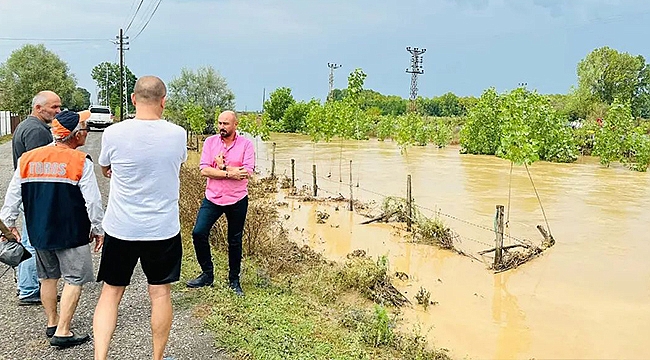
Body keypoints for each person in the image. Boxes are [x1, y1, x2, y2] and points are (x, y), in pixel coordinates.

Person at [93, 76, 187, 360]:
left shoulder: (113, 133)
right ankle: (157, 358)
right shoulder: (177, 134)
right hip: (162, 229)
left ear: (133, 99)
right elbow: (175, 163)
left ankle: (100, 358)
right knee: (160, 294)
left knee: (111, 293)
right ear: (163, 101)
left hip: (121, 228)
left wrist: (114, 170)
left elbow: (105, 167)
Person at [0, 110, 104, 348]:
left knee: (48, 277)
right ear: (75, 135)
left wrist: (9, 224)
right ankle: (63, 331)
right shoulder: (79, 161)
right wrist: (98, 228)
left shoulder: (27, 158)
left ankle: (52, 322)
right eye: (85, 128)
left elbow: (13, 194)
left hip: (39, 230)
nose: (87, 131)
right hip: (72, 232)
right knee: (74, 279)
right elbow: (94, 202)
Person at [186, 110, 254, 296]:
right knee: (199, 232)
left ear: (235, 125)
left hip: (237, 199)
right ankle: (207, 274)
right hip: (213, 197)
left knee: (234, 240)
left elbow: (246, 172)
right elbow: (204, 170)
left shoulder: (246, 145)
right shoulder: (210, 142)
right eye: (220, 123)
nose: (222, 127)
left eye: (226, 124)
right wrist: (229, 173)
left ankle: (234, 279)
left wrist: (223, 167)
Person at [11, 91, 60, 306]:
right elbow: (39, 168)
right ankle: (29, 288)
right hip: (33, 196)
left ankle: (31, 286)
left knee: (32, 240)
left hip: (28, 195)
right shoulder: (36, 132)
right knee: (33, 243)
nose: (58, 111)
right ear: (39, 108)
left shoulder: (28, 126)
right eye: (54, 107)